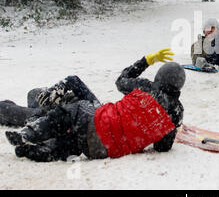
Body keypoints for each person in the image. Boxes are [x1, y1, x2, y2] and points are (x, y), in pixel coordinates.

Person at [4, 49, 186, 162]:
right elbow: (162, 147)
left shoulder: (146, 88)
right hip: (102, 150)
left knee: (72, 107)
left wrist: (145, 61)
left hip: (96, 121)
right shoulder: (176, 113)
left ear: (159, 77)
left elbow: (121, 80)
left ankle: (29, 132)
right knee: (73, 144)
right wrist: (170, 128)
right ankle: (33, 151)